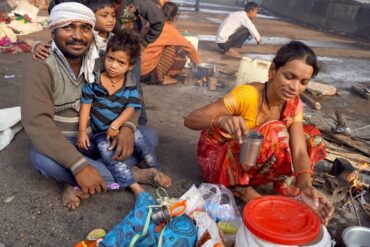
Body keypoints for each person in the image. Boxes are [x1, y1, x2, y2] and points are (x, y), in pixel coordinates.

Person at [21, 2, 171, 211]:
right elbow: (37, 122)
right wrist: (78, 165)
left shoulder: (101, 61)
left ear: (92, 32)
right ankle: (133, 174)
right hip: (65, 142)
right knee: (42, 159)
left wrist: (127, 127)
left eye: (85, 28)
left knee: (149, 136)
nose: (78, 35)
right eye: (68, 27)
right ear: (53, 30)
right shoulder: (41, 66)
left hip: (99, 136)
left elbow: (131, 99)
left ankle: (84, 178)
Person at [184, 41, 334, 225]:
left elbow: (300, 151)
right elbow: (190, 119)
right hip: (219, 164)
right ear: (272, 70)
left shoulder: (294, 104)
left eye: (303, 82)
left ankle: (282, 185)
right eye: (289, 76)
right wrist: (221, 120)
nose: (295, 87)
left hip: (249, 161)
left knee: (311, 136)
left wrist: (305, 185)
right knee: (275, 131)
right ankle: (241, 189)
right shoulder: (247, 95)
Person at [78, 30, 164, 196]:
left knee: (143, 142)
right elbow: (86, 106)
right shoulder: (94, 80)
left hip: (120, 128)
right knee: (109, 155)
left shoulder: (130, 83)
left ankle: (155, 169)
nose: (113, 65)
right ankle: (133, 185)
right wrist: (82, 131)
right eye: (110, 58)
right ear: (105, 56)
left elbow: (131, 107)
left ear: (130, 66)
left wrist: (117, 125)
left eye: (121, 62)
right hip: (101, 134)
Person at [140, 2, 200, 85]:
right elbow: (189, 47)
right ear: (174, 18)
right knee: (173, 47)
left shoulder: (149, 23)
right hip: (146, 73)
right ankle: (159, 78)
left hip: (134, 70)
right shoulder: (169, 30)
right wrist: (196, 64)